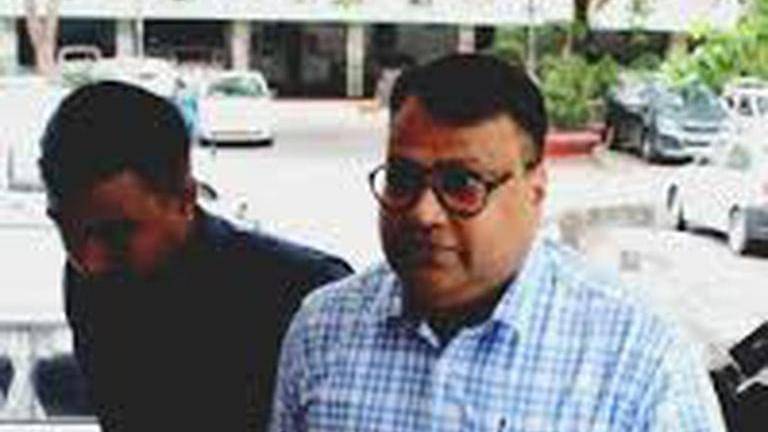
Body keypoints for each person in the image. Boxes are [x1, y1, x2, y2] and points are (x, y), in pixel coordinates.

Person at [270, 54, 726, 431]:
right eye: (403, 179)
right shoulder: (323, 330)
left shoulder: (640, 359)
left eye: (461, 184)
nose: (423, 213)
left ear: (535, 190)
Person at [38, 81, 352, 431]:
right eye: (67, 228)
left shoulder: (305, 297)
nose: (89, 261)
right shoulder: (90, 281)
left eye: (116, 234)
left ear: (185, 200)